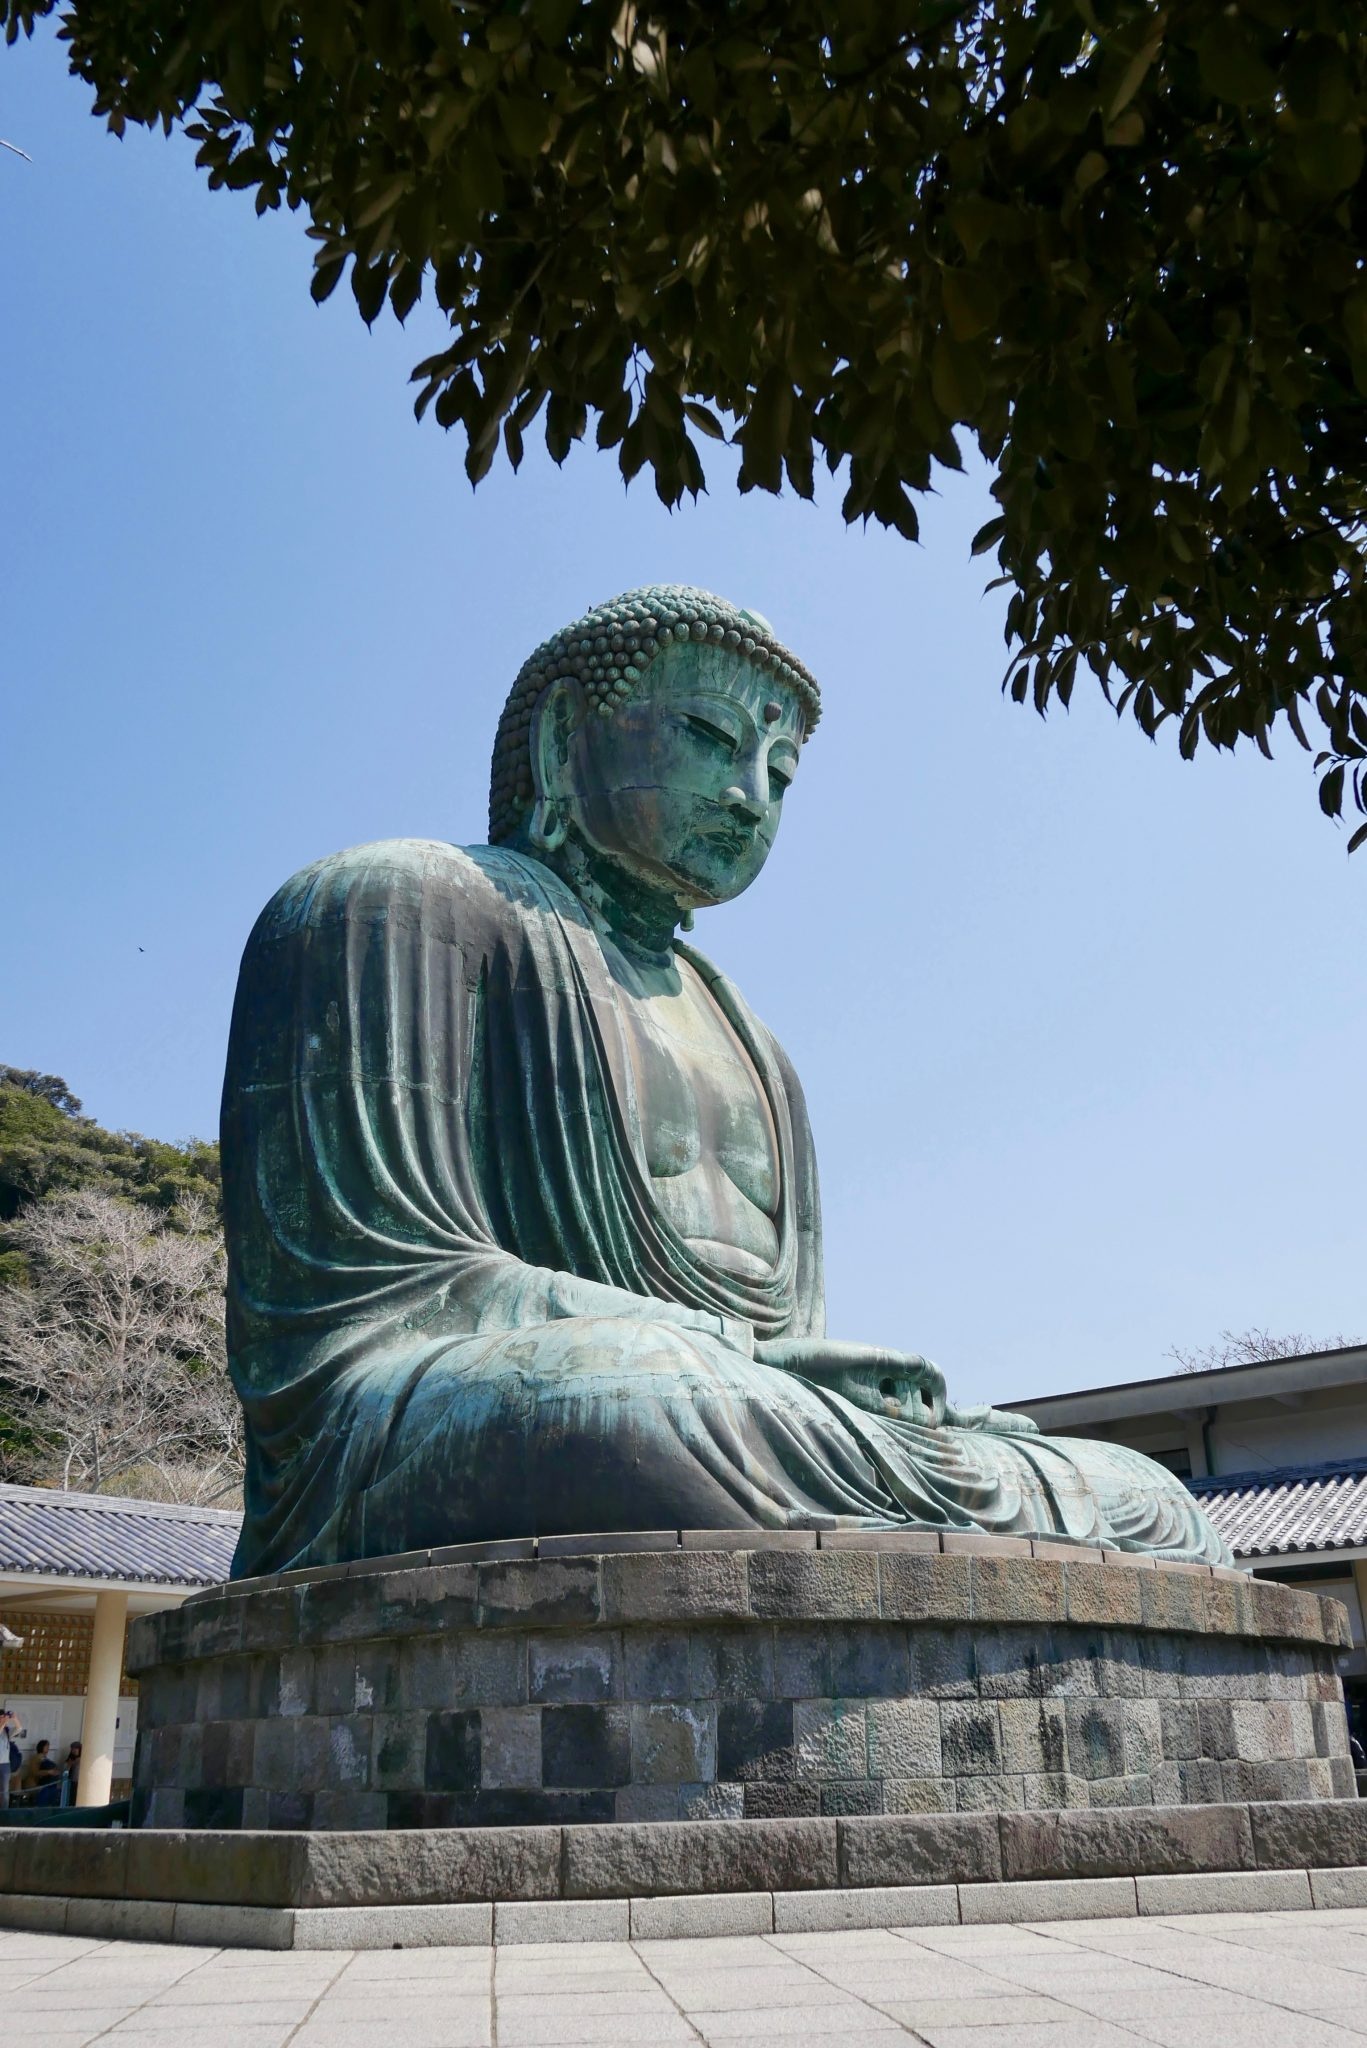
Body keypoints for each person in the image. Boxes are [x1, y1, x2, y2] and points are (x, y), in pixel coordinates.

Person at [222, 584, 1232, 1575]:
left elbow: (791, 1348)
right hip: (466, 1419)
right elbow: (382, 1303)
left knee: (1139, 1493)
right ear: (562, 734)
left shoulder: (754, 1041)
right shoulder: (394, 904)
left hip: (742, 1410)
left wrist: (824, 1388)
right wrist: (718, 1351)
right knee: (643, 1412)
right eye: (707, 735)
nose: (748, 796)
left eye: (780, 773)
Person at [19, 1738, 61, 1806]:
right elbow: (35, 1773)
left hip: (45, 1783)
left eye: (48, 1746)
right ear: (41, 1747)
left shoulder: (45, 1758)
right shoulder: (36, 1758)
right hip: (34, 1784)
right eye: (46, 1746)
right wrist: (48, 1772)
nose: (48, 1748)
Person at [0, 1706, 24, 1811]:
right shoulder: (2, 1728)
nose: (3, 1719)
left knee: (4, 1791)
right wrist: (4, 1722)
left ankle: (4, 1813)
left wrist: (14, 1718)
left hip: (5, 1764)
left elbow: (19, 1729)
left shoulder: (6, 1730)